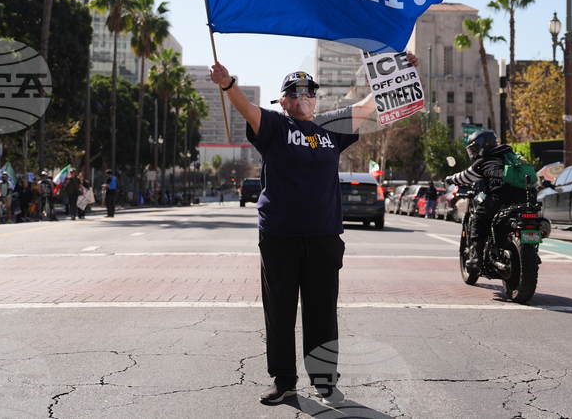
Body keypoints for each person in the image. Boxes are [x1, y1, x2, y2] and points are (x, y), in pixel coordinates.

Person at [211, 56, 417, 408]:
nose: (303, 96)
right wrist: (228, 84)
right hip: (280, 236)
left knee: (322, 312)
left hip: (324, 236)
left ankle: (324, 383)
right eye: (295, 91)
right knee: (280, 311)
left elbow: (367, 106)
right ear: (283, 100)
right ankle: (284, 383)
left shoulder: (330, 127)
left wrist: (400, 71)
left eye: (309, 91)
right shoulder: (275, 125)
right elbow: (247, 109)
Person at [446, 129, 526, 273]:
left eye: (474, 148)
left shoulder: (484, 161)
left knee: (478, 219)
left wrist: (450, 179)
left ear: (483, 145)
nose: (474, 153)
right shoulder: (512, 157)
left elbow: (465, 176)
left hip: (499, 199)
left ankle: (476, 258)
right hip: (522, 199)